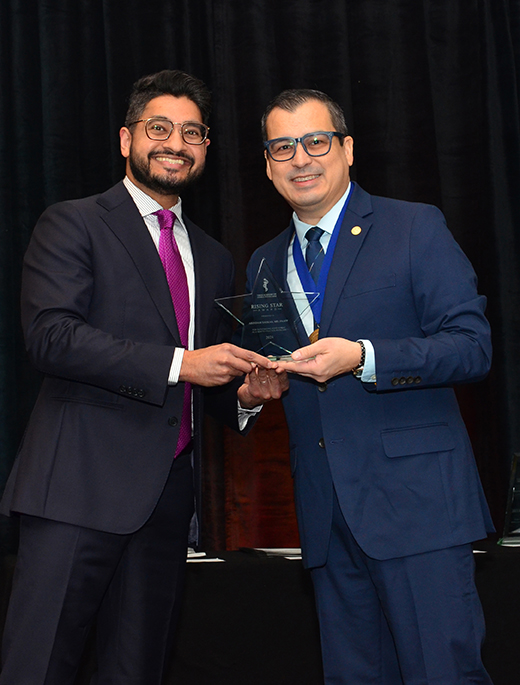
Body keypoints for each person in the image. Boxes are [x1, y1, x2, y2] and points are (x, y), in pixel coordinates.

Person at [0, 69, 287, 684]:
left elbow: (206, 382)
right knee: (38, 669)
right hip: (75, 492)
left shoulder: (212, 256)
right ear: (126, 138)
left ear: (205, 148)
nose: (175, 144)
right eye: (159, 128)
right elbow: (51, 337)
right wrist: (182, 362)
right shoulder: (73, 222)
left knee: (138, 672)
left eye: (192, 133)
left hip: (167, 504)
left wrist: (244, 397)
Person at [246, 88, 494, 684]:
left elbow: (471, 346)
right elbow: (272, 369)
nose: (301, 159)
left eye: (316, 141)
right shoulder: (263, 261)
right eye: (283, 147)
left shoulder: (413, 226)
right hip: (325, 518)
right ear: (268, 164)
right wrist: (253, 393)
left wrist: (363, 357)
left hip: (418, 509)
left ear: (348, 149)